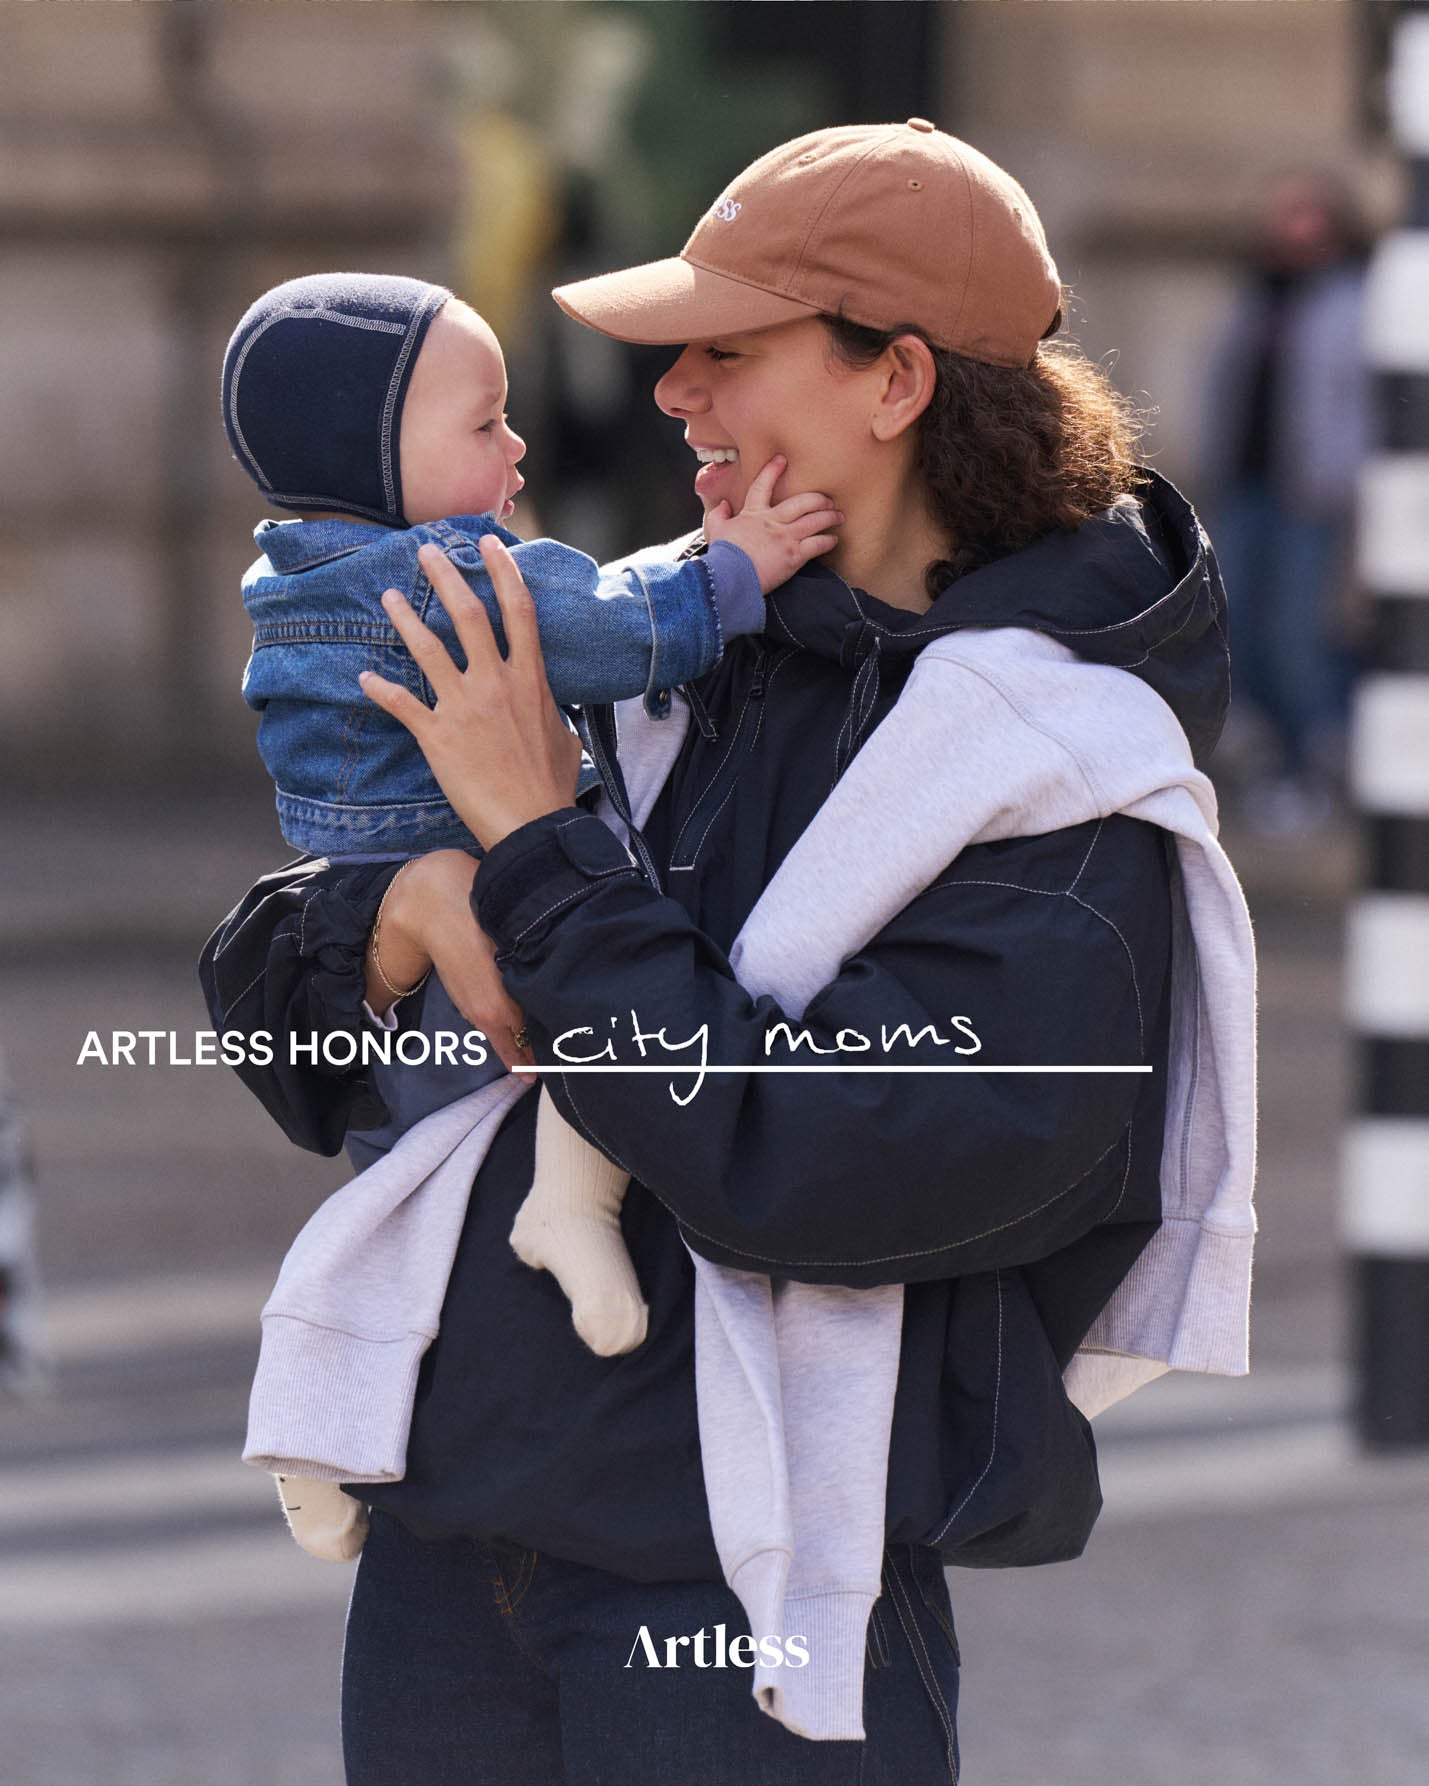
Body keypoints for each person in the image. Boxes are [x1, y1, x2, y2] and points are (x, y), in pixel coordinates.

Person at [201, 122, 1254, 1783]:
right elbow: (285, 1054)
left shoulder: (1061, 769)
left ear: (893, 380)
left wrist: (540, 858)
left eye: (725, 352)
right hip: (444, 1544)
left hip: (733, 1591)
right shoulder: (679, 643)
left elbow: (836, 1163)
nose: (670, 394)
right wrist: (383, 920)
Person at [220, 270, 843, 1557]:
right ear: (376, 457)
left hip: (368, 898)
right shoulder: (457, 566)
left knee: (402, 1175)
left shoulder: (284, 581)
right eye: (484, 422)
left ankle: (323, 1420)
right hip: (475, 868)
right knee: (595, 1024)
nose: (515, 447)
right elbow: (616, 632)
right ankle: (571, 1207)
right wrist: (738, 570)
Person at [1201, 171, 1371, 834]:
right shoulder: (1252, 298)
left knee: (1299, 629)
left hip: (1312, 496)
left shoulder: (1354, 301)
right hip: (1245, 489)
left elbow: (1365, 406)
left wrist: (1339, 476)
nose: (1289, 224)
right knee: (1235, 621)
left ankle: (1312, 761)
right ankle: (1266, 758)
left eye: (1304, 212)